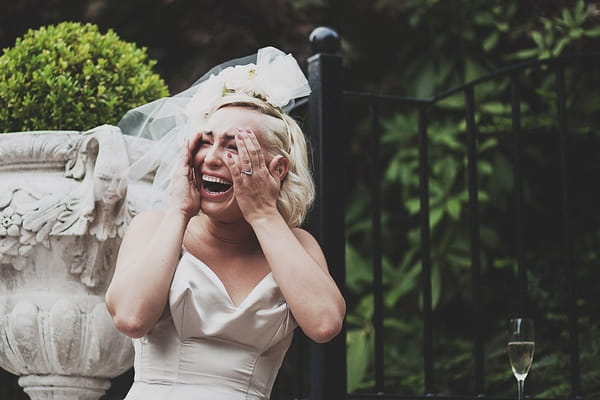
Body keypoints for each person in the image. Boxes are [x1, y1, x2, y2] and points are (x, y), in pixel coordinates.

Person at [104, 47, 346, 399]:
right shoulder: (154, 227)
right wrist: (179, 212)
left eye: (233, 147)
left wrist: (263, 214)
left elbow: (325, 323)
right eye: (205, 142)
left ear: (276, 170)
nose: (212, 158)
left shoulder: (299, 245)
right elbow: (131, 318)